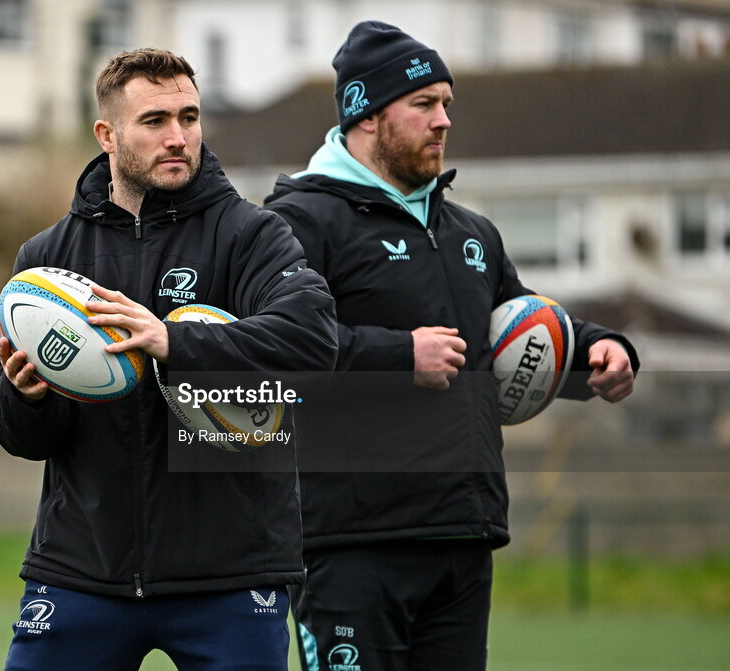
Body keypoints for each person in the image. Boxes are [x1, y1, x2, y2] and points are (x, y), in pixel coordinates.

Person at [263, 21, 638, 671]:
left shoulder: (472, 231)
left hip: (462, 536)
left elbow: (522, 321)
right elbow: (281, 350)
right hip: (352, 544)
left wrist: (601, 350)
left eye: (447, 104)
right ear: (369, 116)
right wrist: (400, 355)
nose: (443, 121)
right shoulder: (299, 221)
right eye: (424, 104)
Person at [0, 48, 337, 671]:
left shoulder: (250, 235)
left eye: (189, 117)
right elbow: (21, 437)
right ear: (108, 135)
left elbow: (313, 340)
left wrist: (176, 344)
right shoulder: (47, 263)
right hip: (83, 570)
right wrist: (25, 396)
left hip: (228, 577)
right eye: (155, 121)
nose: (178, 137)